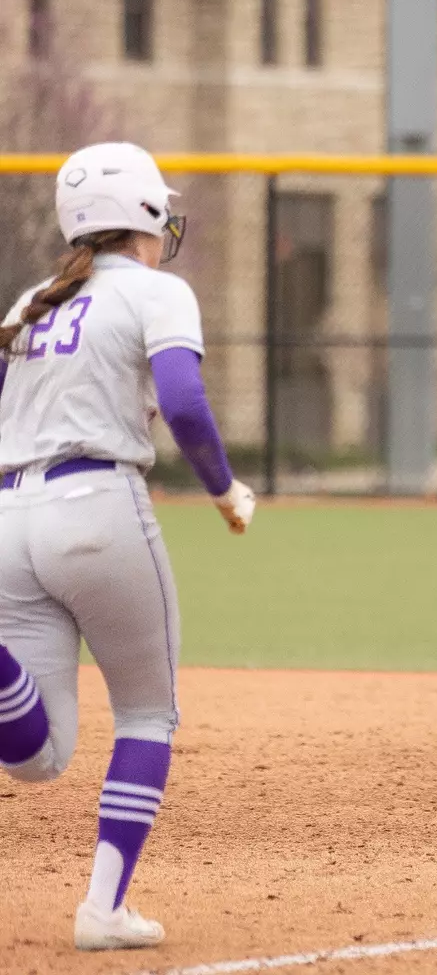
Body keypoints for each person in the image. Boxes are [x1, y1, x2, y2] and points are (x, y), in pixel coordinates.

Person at [0, 143, 256, 949]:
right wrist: (222, 488)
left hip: (9, 515)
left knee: (38, 758)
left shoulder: (32, 300)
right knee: (148, 711)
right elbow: (181, 399)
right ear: (147, 214)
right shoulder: (156, 289)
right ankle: (104, 912)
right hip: (97, 506)